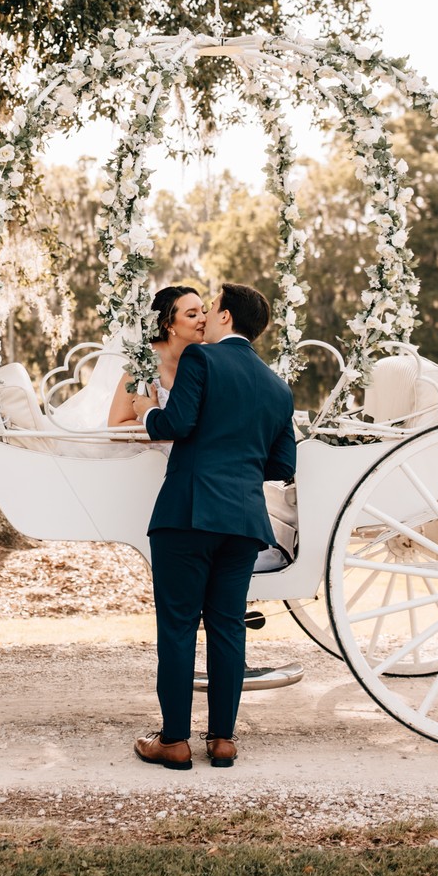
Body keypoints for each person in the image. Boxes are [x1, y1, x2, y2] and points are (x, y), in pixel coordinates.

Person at [132, 282, 298, 771]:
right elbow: (282, 464)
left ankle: (175, 741)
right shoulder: (277, 386)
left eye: (212, 308)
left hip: (188, 511)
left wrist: (149, 413)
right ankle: (223, 740)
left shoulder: (201, 361)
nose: (204, 318)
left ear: (226, 318)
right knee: (227, 629)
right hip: (245, 519)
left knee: (179, 626)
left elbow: (176, 425)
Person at [107, 286, 208, 426]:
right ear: (168, 325)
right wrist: (157, 422)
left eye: (204, 311)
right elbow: (116, 425)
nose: (204, 318)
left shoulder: (207, 358)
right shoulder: (144, 361)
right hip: (149, 447)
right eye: (192, 315)